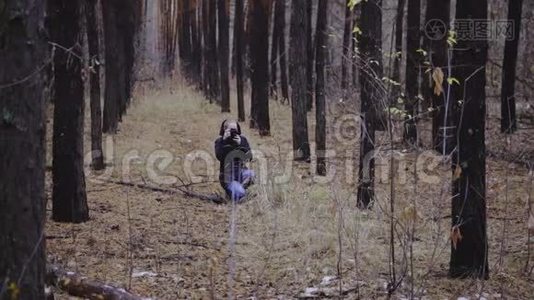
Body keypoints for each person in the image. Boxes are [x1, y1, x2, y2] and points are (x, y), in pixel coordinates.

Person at [214, 120, 255, 201]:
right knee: (240, 194)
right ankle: (236, 191)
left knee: (252, 175)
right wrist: (224, 141)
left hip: (241, 172)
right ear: (224, 130)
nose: (233, 132)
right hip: (227, 176)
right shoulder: (219, 141)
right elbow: (219, 156)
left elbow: (249, 157)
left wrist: (240, 144)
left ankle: (238, 190)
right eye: (231, 129)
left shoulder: (242, 140)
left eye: (235, 129)